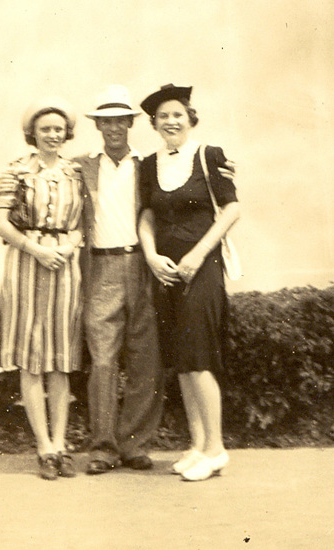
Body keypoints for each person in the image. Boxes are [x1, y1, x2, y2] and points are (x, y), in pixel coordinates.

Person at [138, 84, 240, 481]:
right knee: (181, 360)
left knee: (199, 356)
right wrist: (150, 254)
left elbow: (232, 209)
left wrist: (198, 254)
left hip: (203, 267)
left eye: (177, 114)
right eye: (163, 116)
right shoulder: (149, 164)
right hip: (166, 272)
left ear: (190, 117)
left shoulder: (209, 155)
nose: (170, 121)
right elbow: (147, 215)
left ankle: (216, 449)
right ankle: (197, 446)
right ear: (154, 123)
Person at [0, 97, 83, 481]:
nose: (52, 135)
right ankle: (43, 447)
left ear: (66, 134)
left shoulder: (76, 174)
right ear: (33, 133)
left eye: (58, 129)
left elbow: (83, 224)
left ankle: (61, 445)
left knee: (60, 359)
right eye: (44, 129)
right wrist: (37, 250)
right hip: (26, 263)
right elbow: (0, 224)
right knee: (31, 356)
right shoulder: (16, 171)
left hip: (64, 265)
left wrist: (65, 247)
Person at [75, 85, 163, 474]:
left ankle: (135, 445)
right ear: (98, 126)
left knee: (147, 359)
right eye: (105, 121)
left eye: (119, 120)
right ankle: (103, 448)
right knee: (104, 359)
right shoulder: (80, 166)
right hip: (101, 268)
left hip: (142, 265)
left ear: (130, 123)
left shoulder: (150, 165)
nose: (113, 127)